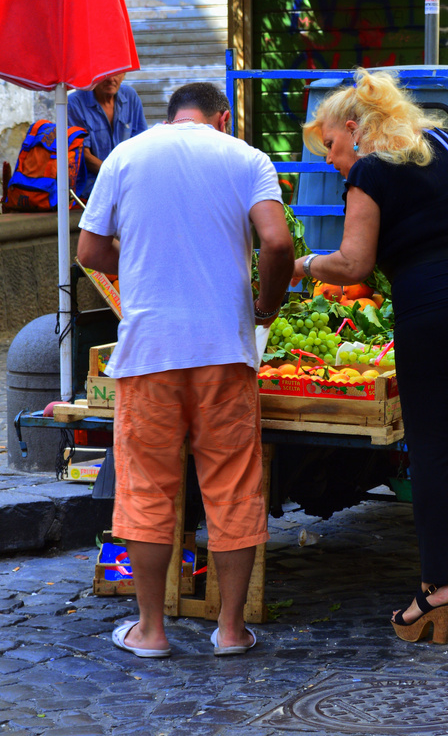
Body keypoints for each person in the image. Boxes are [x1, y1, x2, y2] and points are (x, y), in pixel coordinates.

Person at [293, 69, 448, 643]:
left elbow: (353, 265)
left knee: (431, 449)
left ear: (354, 129)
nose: (330, 160)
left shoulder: (372, 172)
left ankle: (436, 591)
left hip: (432, 311)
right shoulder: (443, 146)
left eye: (330, 145)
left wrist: (306, 266)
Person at [77, 82, 294, 658]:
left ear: (171, 117)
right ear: (220, 118)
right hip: (224, 351)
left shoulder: (125, 155)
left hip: (149, 354)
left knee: (147, 490)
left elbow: (89, 253)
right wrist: (265, 308)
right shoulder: (247, 158)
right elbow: (277, 243)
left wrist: (144, 262)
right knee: (232, 487)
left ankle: (150, 631)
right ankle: (229, 630)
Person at [68, 73, 148, 195]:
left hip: (127, 180)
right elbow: (84, 155)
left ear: (124, 74)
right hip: (92, 184)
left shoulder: (130, 96)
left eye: (116, 73)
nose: (111, 79)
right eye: (104, 74)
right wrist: (115, 175)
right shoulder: (75, 103)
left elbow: (142, 143)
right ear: (93, 74)